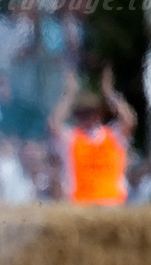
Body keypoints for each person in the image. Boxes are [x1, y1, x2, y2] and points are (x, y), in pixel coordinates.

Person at [49, 68, 136, 206]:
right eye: (81, 113)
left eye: (90, 112)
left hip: (112, 203)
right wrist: (69, 94)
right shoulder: (72, 138)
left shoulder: (113, 136)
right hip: (80, 204)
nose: (86, 117)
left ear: (98, 113)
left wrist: (109, 92)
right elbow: (54, 124)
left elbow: (129, 120)